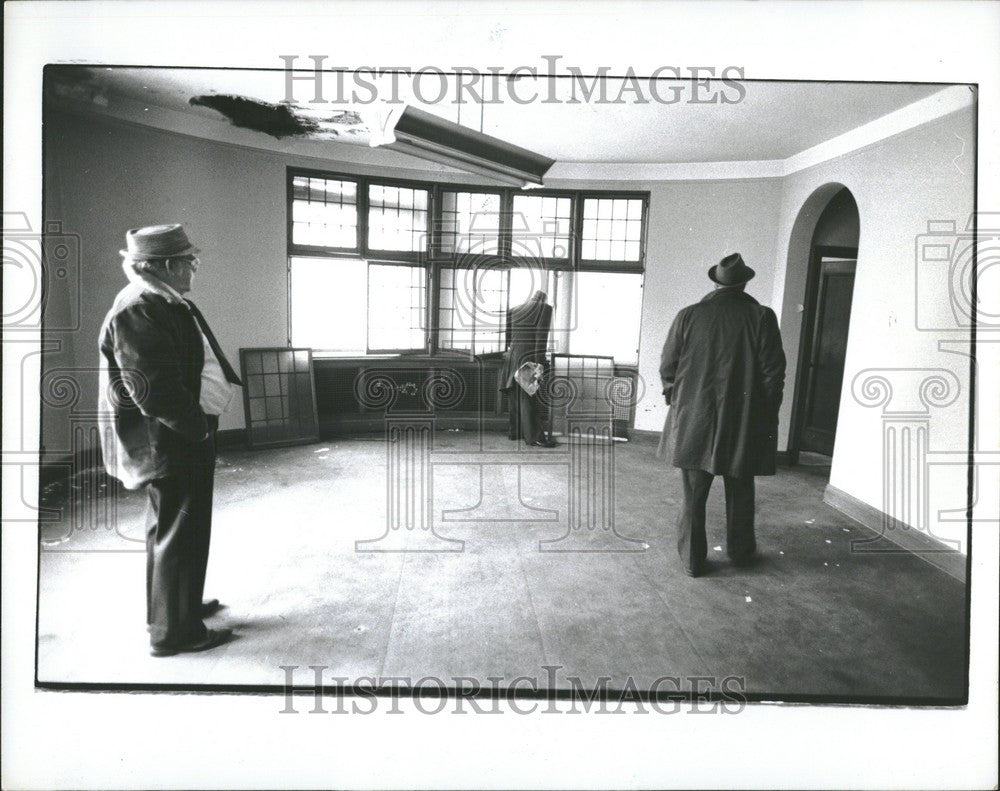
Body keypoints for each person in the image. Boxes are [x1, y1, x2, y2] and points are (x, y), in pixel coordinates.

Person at [98, 224, 242, 655]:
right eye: (188, 260)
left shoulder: (160, 300)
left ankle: (176, 606)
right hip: (171, 438)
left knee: (176, 527)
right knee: (179, 528)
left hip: (178, 434)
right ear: (163, 266)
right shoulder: (139, 307)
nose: (194, 266)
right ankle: (175, 632)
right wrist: (197, 428)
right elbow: (153, 389)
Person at [659, 253, 786, 577]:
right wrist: (765, 415)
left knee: (693, 496)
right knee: (741, 490)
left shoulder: (688, 316)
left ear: (715, 282)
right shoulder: (761, 316)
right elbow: (774, 373)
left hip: (695, 420)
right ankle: (741, 553)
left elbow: (668, 367)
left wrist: (679, 403)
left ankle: (692, 561)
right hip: (742, 421)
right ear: (744, 283)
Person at [499, 290, 557, 448]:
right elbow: (541, 338)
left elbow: (508, 336)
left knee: (514, 397)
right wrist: (539, 364)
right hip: (528, 358)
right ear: (544, 299)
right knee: (528, 398)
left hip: (512, 357)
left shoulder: (515, 309)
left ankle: (515, 433)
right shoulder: (545, 309)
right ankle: (535, 438)